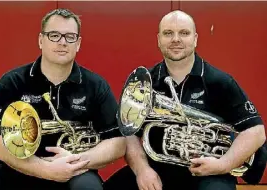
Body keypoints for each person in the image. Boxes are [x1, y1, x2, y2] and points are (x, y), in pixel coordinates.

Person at [103, 10, 266, 190]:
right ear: (158, 39)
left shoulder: (219, 81)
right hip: (158, 168)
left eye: (184, 33)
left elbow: (255, 132)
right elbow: (129, 132)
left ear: (195, 39)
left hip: (210, 169)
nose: (176, 39)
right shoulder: (145, 82)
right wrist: (142, 170)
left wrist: (224, 164)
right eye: (168, 33)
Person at [0, 8, 126, 190]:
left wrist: (77, 160)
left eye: (70, 37)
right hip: (20, 167)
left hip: (75, 169)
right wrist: (47, 170)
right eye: (54, 35)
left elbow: (118, 142)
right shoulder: (11, 82)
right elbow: (0, 145)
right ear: (41, 40)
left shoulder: (96, 85)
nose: (62, 42)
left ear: (78, 43)